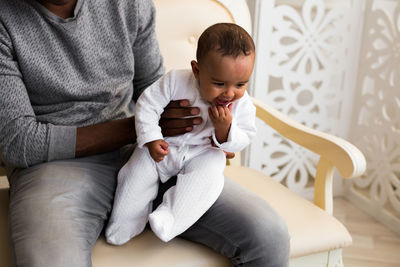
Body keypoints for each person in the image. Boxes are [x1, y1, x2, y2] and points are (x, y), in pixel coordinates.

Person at [0, 0, 290, 266]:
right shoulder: (5, 18)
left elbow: (154, 89)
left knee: (268, 236)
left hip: (152, 152)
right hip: (55, 166)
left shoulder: (130, 3)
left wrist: (213, 131)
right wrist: (142, 128)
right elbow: (19, 142)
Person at [106, 23, 257, 244]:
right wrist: (151, 137)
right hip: (165, 146)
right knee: (135, 174)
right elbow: (148, 104)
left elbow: (245, 135)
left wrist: (225, 131)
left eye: (241, 84)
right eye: (219, 83)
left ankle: (170, 218)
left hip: (203, 153)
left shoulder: (242, 104)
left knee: (209, 180)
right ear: (197, 70)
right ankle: (124, 223)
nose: (230, 93)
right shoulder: (176, 81)